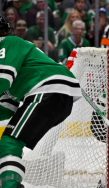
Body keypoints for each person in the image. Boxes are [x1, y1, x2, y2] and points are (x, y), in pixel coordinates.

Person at [0, 16, 81, 188]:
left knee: (10, 142)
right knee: (11, 141)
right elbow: (7, 107)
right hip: (56, 95)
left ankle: (10, 186)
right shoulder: (13, 49)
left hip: (47, 90)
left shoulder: (7, 42)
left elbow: (2, 80)